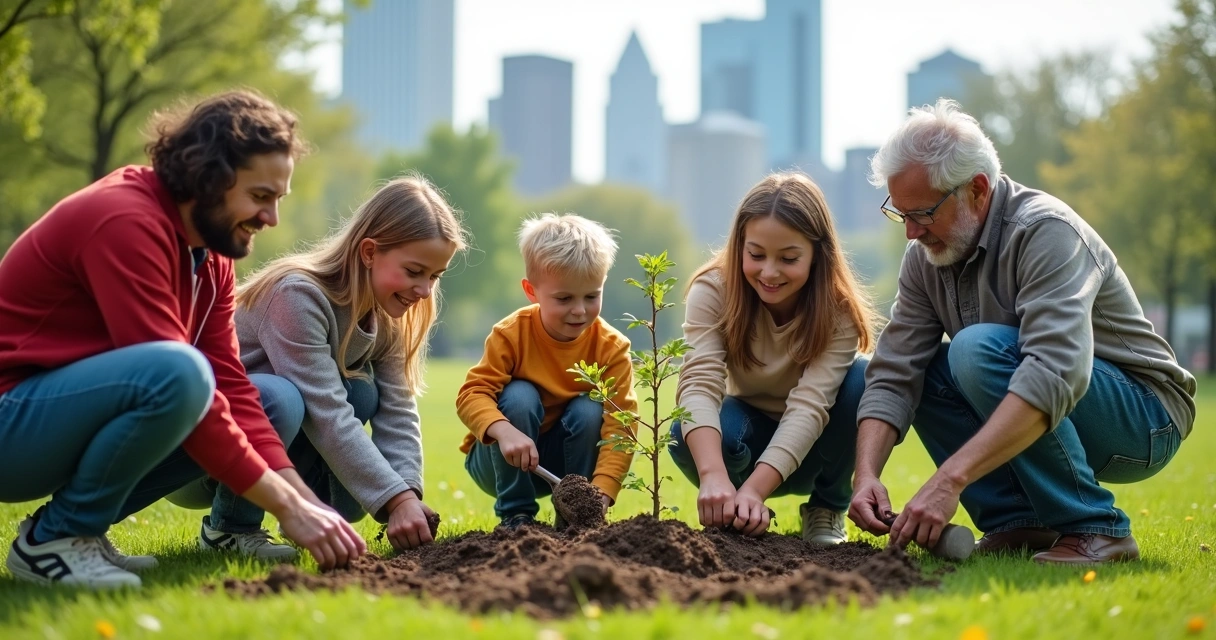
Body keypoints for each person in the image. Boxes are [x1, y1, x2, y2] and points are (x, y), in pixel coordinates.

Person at [0, 90, 366, 589]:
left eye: (278, 199)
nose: (271, 218)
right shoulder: (124, 221)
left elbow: (230, 385)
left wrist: (301, 502)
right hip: (12, 426)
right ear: (209, 178)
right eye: (261, 197)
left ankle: (75, 530)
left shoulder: (212, 254)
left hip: (60, 419)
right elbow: (176, 379)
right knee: (179, 372)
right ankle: (54, 541)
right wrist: (284, 504)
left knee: (268, 398)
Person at [849, 99, 1197, 564]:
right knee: (928, 368)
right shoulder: (924, 259)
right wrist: (866, 474)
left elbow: (1055, 371)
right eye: (901, 212)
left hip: (1144, 419)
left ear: (976, 189)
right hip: (1061, 405)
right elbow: (894, 371)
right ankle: (1020, 523)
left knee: (975, 349)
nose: (911, 232)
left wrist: (949, 479)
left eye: (924, 213)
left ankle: (1099, 529)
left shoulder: (1045, 231)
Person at [167, 175, 464, 556]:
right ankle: (229, 530)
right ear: (369, 252)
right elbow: (325, 411)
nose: (424, 290)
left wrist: (406, 492)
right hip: (201, 452)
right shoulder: (298, 296)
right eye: (413, 271)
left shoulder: (389, 314)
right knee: (284, 397)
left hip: (270, 452)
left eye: (434, 276)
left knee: (362, 393)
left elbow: (399, 411)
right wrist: (394, 500)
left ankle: (302, 521)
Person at [668, 173, 876, 542]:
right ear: (740, 246)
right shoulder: (713, 291)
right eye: (756, 254)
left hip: (817, 448)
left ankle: (826, 508)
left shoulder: (837, 310)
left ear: (817, 255)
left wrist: (757, 490)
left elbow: (810, 406)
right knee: (682, 432)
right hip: (744, 440)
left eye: (789, 258)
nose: (769, 272)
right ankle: (733, 508)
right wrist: (714, 473)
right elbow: (699, 384)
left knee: (863, 379)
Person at [456, 213, 638, 528]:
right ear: (531, 291)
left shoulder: (612, 348)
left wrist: (602, 493)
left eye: (592, 296)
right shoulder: (511, 334)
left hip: (562, 466)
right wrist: (504, 431)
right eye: (564, 298)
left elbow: (621, 426)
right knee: (519, 395)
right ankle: (516, 516)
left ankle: (574, 518)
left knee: (589, 408)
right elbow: (471, 395)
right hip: (499, 459)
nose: (580, 310)